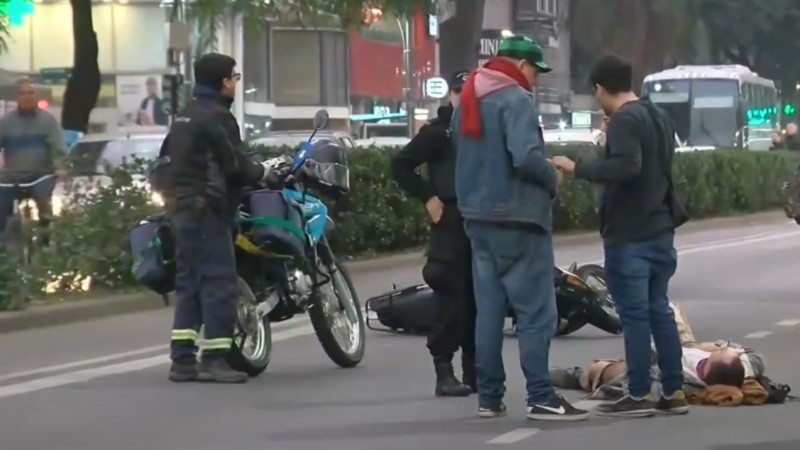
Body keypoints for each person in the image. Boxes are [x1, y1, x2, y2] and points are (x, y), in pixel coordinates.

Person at [452, 34, 588, 421]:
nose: (535, 79)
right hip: (518, 219)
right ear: (522, 66)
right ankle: (541, 396)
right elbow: (526, 157)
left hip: (476, 218)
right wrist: (552, 177)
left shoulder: (468, 99)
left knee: (489, 313)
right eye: (535, 71)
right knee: (536, 314)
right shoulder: (514, 100)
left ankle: (489, 397)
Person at [551, 54, 688, 417]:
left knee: (635, 315)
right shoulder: (656, 115)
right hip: (660, 229)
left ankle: (638, 392)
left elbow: (628, 165)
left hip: (631, 233)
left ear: (599, 88)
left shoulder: (625, 119)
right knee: (659, 311)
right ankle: (673, 390)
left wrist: (578, 168)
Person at [158, 53, 290, 384]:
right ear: (224, 82)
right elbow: (237, 166)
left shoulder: (185, 115)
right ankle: (215, 358)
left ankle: (182, 360)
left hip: (180, 209)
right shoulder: (217, 117)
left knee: (189, 283)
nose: (235, 83)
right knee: (220, 283)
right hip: (207, 210)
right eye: (234, 77)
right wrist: (265, 173)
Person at [390, 70, 476, 398]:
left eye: (468, 91)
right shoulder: (440, 132)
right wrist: (428, 197)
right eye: (458, 91)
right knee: (449, 295)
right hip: (451, 220)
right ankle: (444, 371)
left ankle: (475, 370)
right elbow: (401, 165)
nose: (462, 96)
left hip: (481, 219)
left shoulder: (484, 129)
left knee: (479, 299)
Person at [550, 302, 773, 407]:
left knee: (598, 371)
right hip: (687, 346)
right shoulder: (743, 367)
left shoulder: (687, 380)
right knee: (668, 308)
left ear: (706, 370)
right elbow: (755, 356)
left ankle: (564, 376)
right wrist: (710, 348)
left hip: (664, 360)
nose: (720, 351)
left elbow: (652, 365)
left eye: (716, 356)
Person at [0, 78, 67, 243]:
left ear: (36, 96)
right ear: (17, 98)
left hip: (40, 175)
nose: (27, 97)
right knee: (2, 206)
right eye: (23, 94)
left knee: (44, 205)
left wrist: (60, 167)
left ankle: (45, 243)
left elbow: (58, 146)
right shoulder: (6, 122)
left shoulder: (48, 121)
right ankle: (4, 244)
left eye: (30, 93)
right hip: (12, 177)